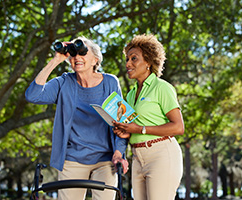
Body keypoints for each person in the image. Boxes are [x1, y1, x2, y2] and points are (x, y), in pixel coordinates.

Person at [25, 36, 128, 200]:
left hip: (106, 159)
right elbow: (33, 95)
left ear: (95, 60)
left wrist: (118, 152)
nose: (77, 57)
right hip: (72, 159)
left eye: (82, 52)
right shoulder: (64, 82)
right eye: (73, 54)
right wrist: (56, 60)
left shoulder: (110, 82)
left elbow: (122, 122)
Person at [113, 34, 184, 200]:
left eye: (134, 58)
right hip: (138, 158)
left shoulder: (162, 88)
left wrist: (139, 129)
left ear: (149, 62)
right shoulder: (130, 96)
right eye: (127, 59)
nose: (128, 63)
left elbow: (178, 127)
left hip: (161, 155)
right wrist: (125, 132)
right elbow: (132, 128)